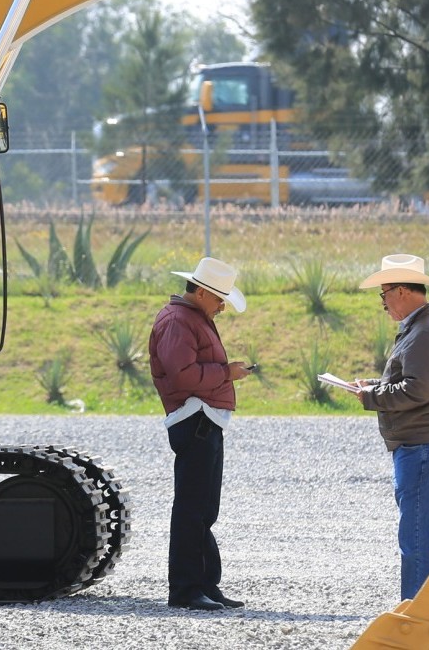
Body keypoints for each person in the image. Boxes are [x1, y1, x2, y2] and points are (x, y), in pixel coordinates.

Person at [348, 253, 429, 601]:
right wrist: (373, 385)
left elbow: (416, 389)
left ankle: (417, 620)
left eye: (383, 295)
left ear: (401, 291)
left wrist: (371, 396)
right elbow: (415, 382)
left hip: (423, 446)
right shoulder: (424, 327)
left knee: (419, 542)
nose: (383, 303)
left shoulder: (424, 332)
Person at [150, 257, 253, 612]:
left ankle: (204, 585)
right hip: (195, 418)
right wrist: (227, 373)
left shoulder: (187, 318)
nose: (222, 306)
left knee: (203, 507)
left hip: (202, 419)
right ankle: (186, 590)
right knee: (194, 507)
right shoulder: (179, 320)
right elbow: (183, 376)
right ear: (204, 293)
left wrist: (224, 373)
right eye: (220, 298)